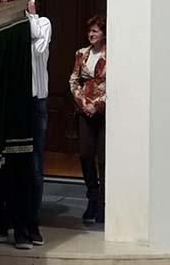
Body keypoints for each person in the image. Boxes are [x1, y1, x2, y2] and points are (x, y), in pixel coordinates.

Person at [0, 0, 51, 243]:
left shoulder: (42, 23)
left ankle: (30, 222)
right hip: (8, 103)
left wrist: (26, 12)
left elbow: (37, 46)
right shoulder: (3, 30)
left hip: (34, 103)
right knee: (3, 165)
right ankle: (1, 221)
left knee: (33, 166)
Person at [69, 15, 107, 224]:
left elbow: (115, 84)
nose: (91, 34)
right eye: (89, 31)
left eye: (95, 31)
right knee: (85, 155)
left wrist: (98, 104)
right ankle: (91, 197)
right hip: (85, 111)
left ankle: (102, 203)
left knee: (102, 158)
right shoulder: (81, 54)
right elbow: (74, 80)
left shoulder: (111, 54)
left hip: (103, 111)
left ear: (104, 34)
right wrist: (83, 103)